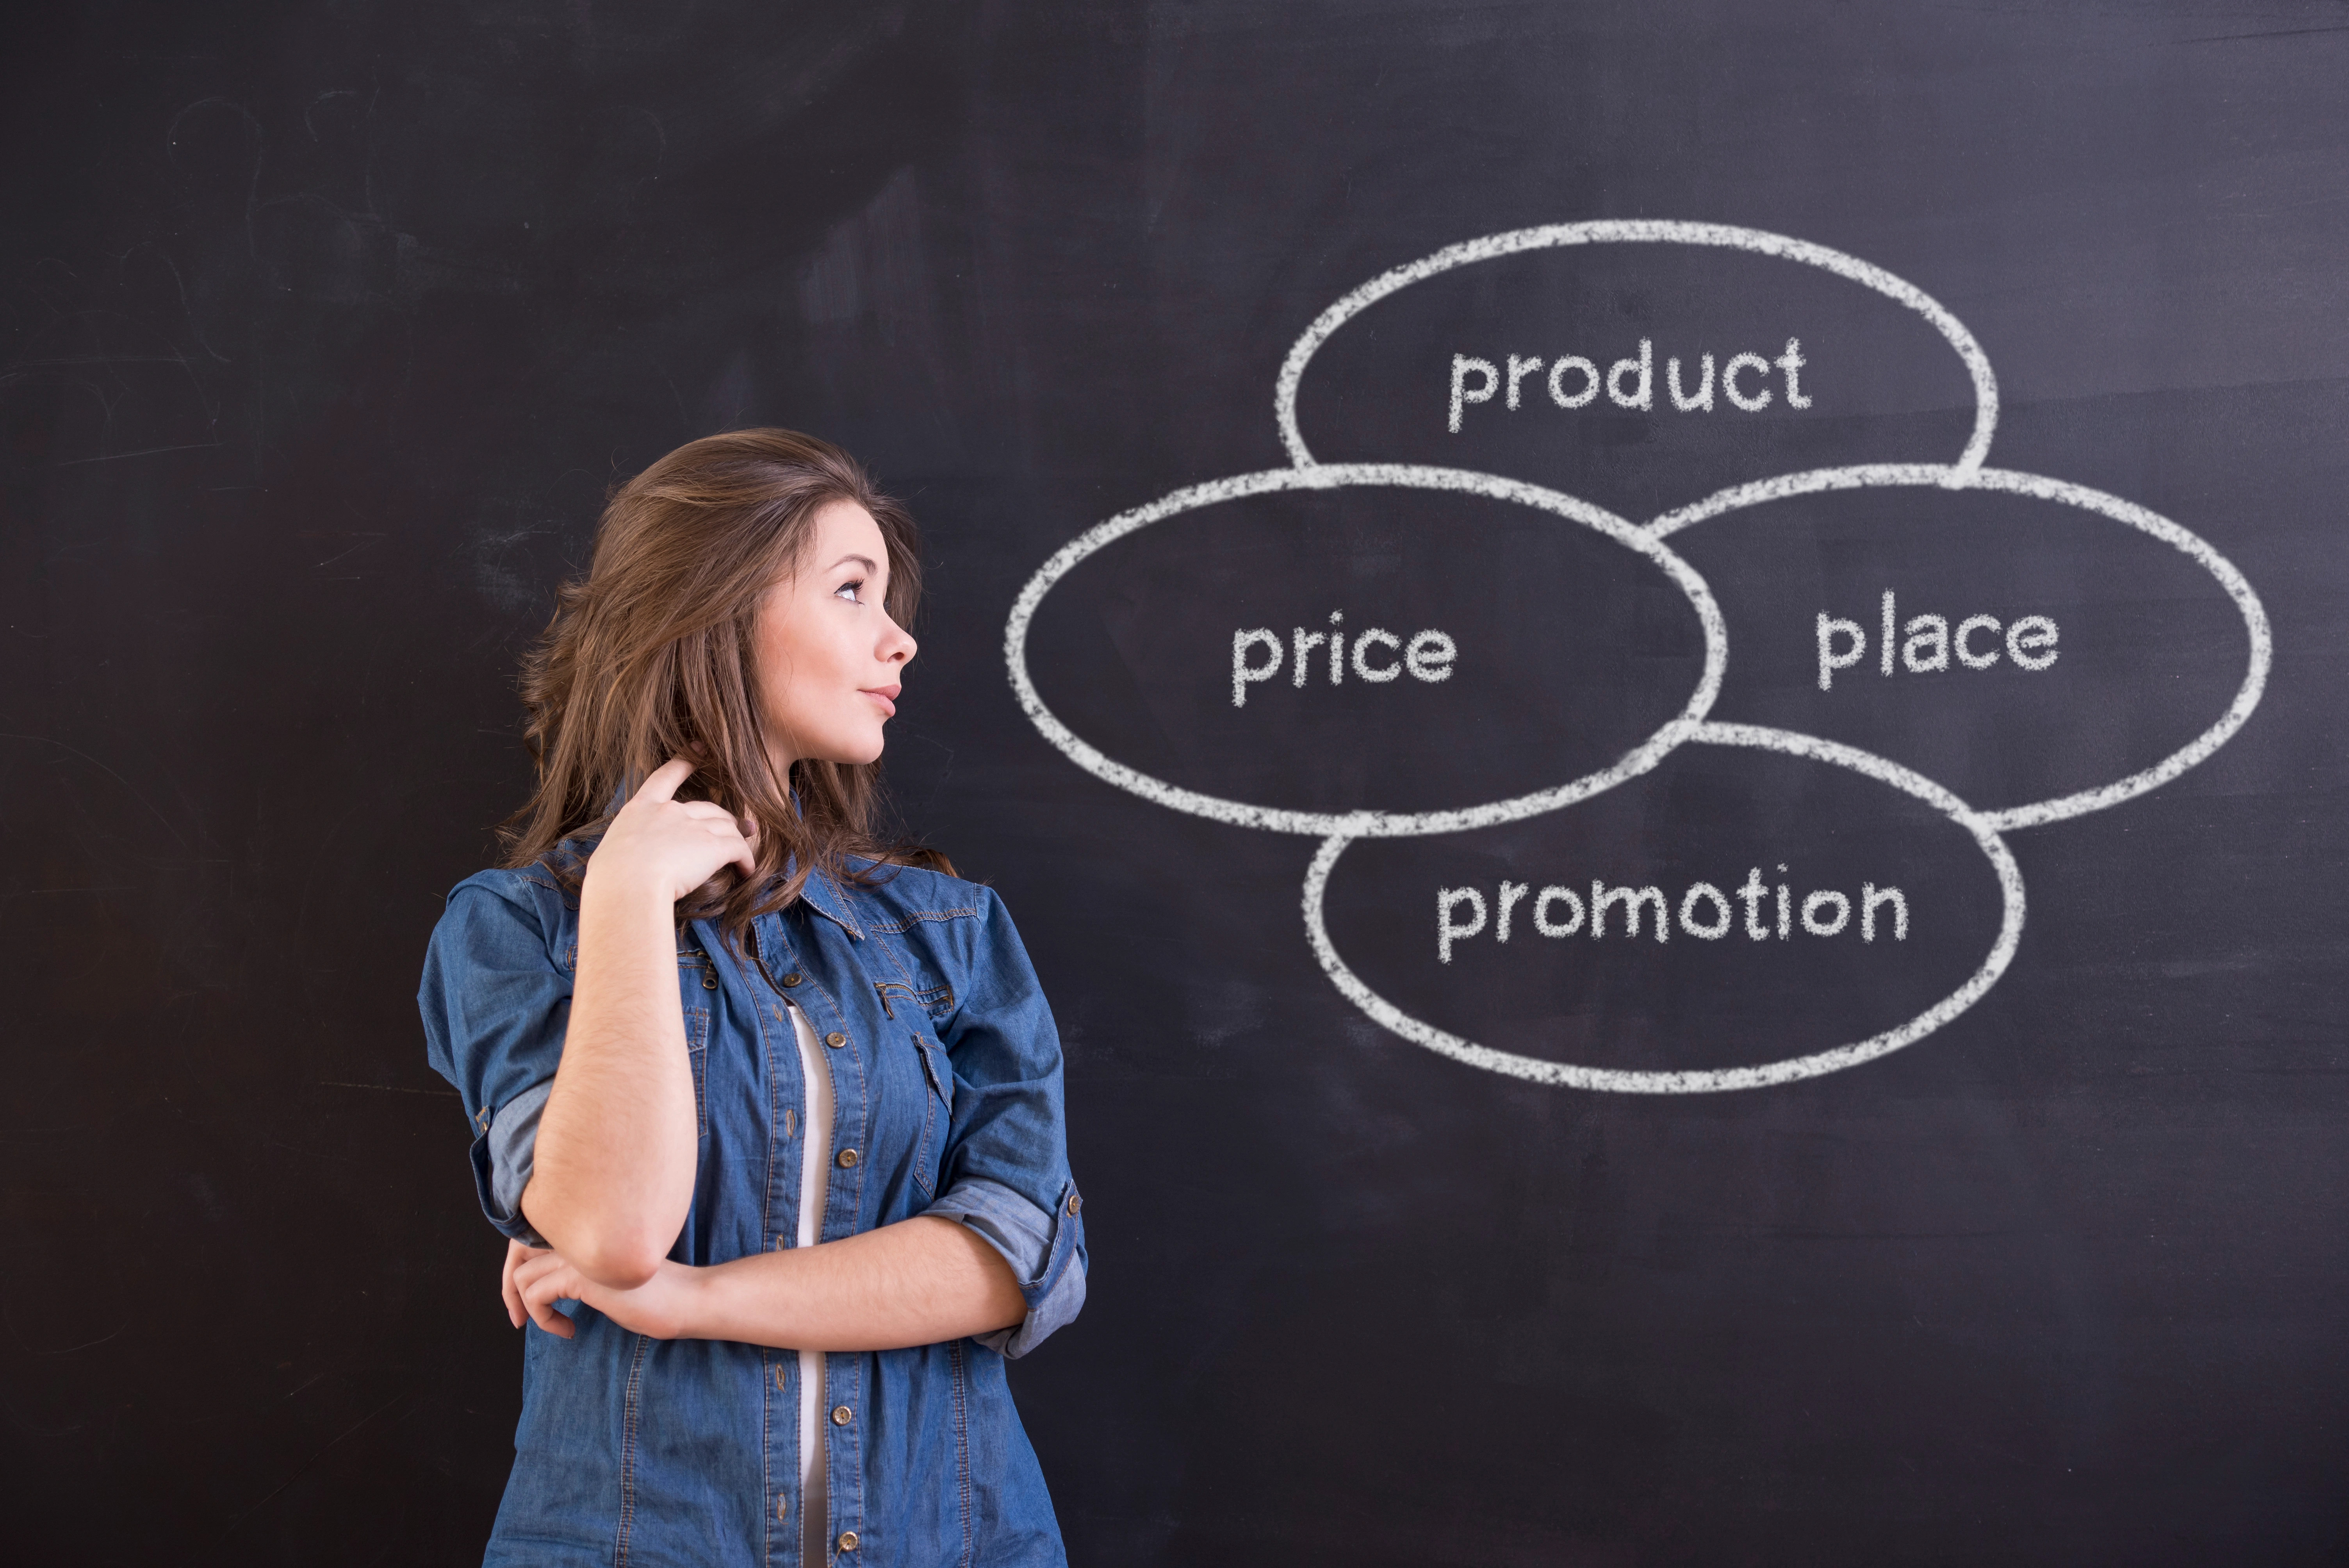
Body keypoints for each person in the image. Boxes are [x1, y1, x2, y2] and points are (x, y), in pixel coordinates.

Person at [418, 429, 1085, 1566]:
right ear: (714, 610)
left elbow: (1015, 1260)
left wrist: (694, 1301)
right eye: (850, 590)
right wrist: (628, 895)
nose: (899, 637)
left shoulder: (948, 934)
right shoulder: (519, 930)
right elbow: (613, 1231)